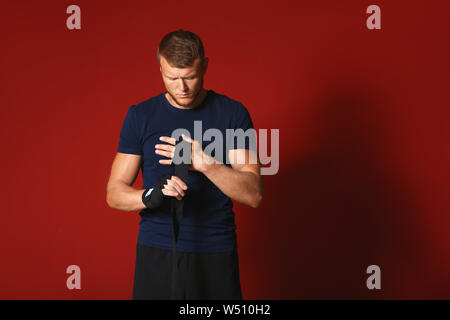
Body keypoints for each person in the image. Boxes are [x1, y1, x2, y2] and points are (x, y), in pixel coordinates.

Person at [106, 29, 264, 300]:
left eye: (189, 77)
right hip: (158, 250)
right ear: (160, 69)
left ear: (205, 66)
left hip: (215, 249)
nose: (182, 87)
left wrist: (205, 163)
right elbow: (114, 193)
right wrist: (150, 196)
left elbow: (254, 194)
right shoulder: (140, 116)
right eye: (172, 78)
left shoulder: (232, 113)